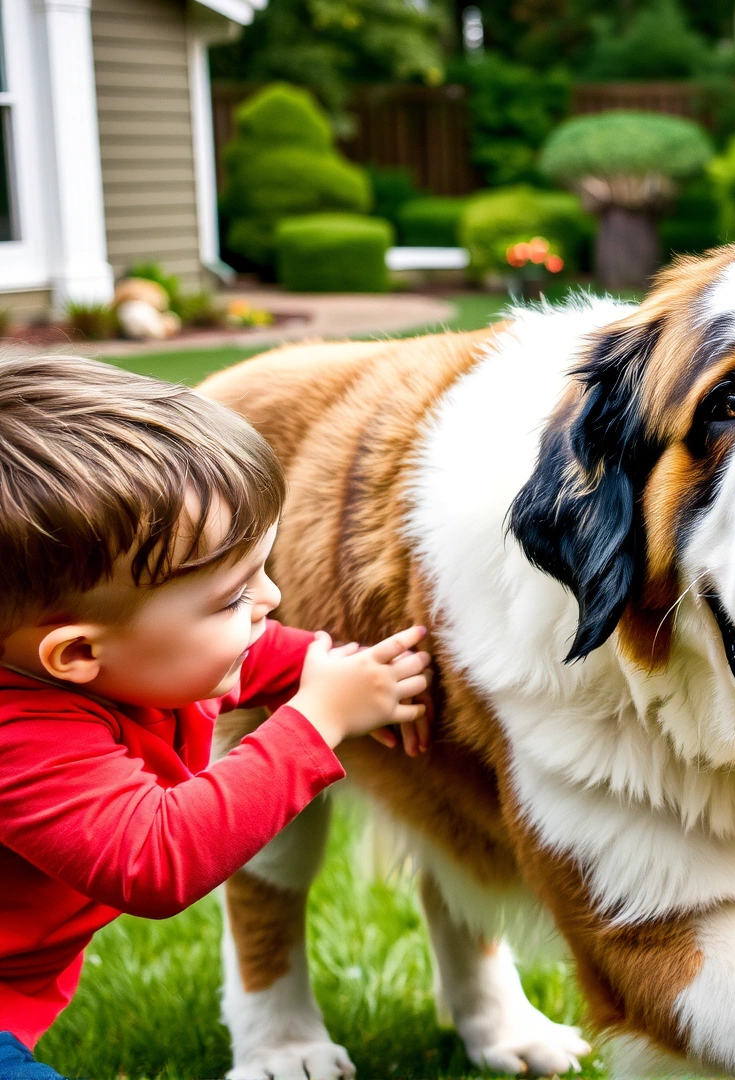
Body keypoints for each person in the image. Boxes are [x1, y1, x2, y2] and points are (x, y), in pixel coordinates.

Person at [0, 356, 432, 1080]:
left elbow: (260, 653)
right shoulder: (22, 739)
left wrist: (349, 672)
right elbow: (158, 857)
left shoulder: (130, 658)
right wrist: (317, 720)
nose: (269, 599)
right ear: (77, 652)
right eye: (230, 598)